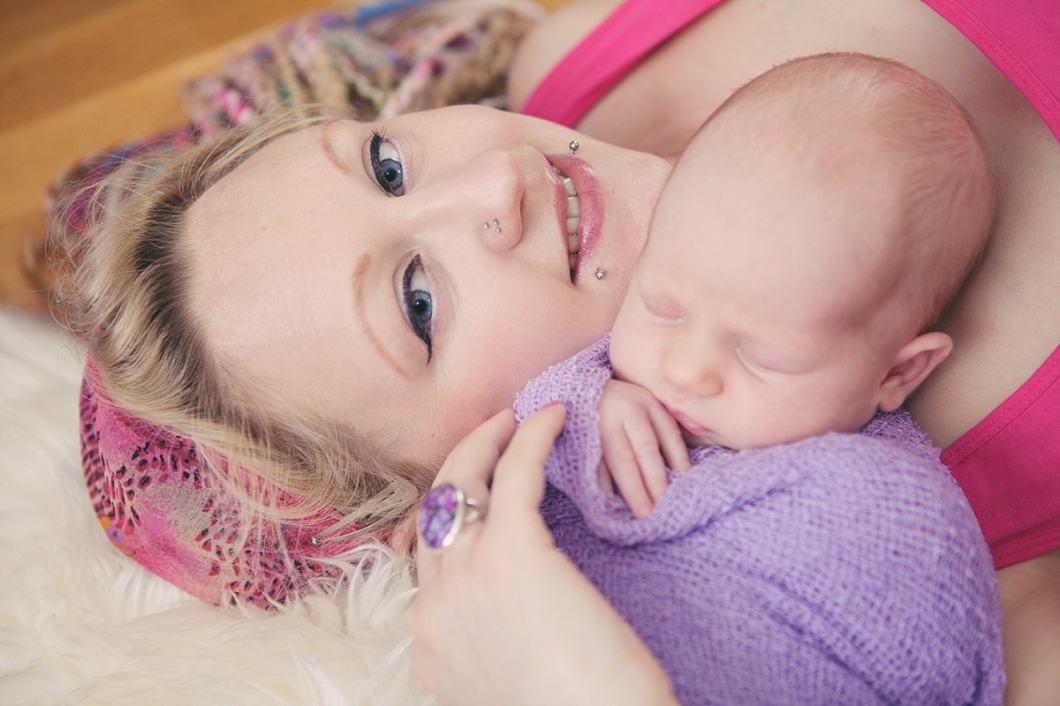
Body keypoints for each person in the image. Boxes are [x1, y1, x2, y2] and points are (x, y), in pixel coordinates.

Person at [53, 0, 1059, 701]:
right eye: (415, 302)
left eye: (388, 163)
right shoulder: (966, 552)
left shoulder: (582, 60)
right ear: (475, 469)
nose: (498, 180)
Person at [597, 53, 991, 517]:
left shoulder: (885, 508)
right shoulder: (600, 379)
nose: (684, 370)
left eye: (759, 356)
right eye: (662, 308)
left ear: (895, 373)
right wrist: (584, 404)